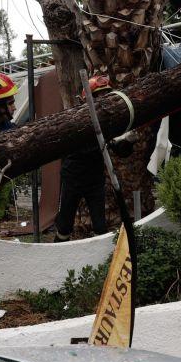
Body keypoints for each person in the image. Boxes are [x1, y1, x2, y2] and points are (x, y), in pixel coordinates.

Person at [54, 75, 112, 242]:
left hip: (95, 180)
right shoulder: (75, 119)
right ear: (89, 99)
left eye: (106, 95)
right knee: (64, 225)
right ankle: (58, 255)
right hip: (73, 178)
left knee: (100, 226)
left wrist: (125, 143)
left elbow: (120, 149)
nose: (103, 100)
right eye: (99, 96)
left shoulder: (109, 118)